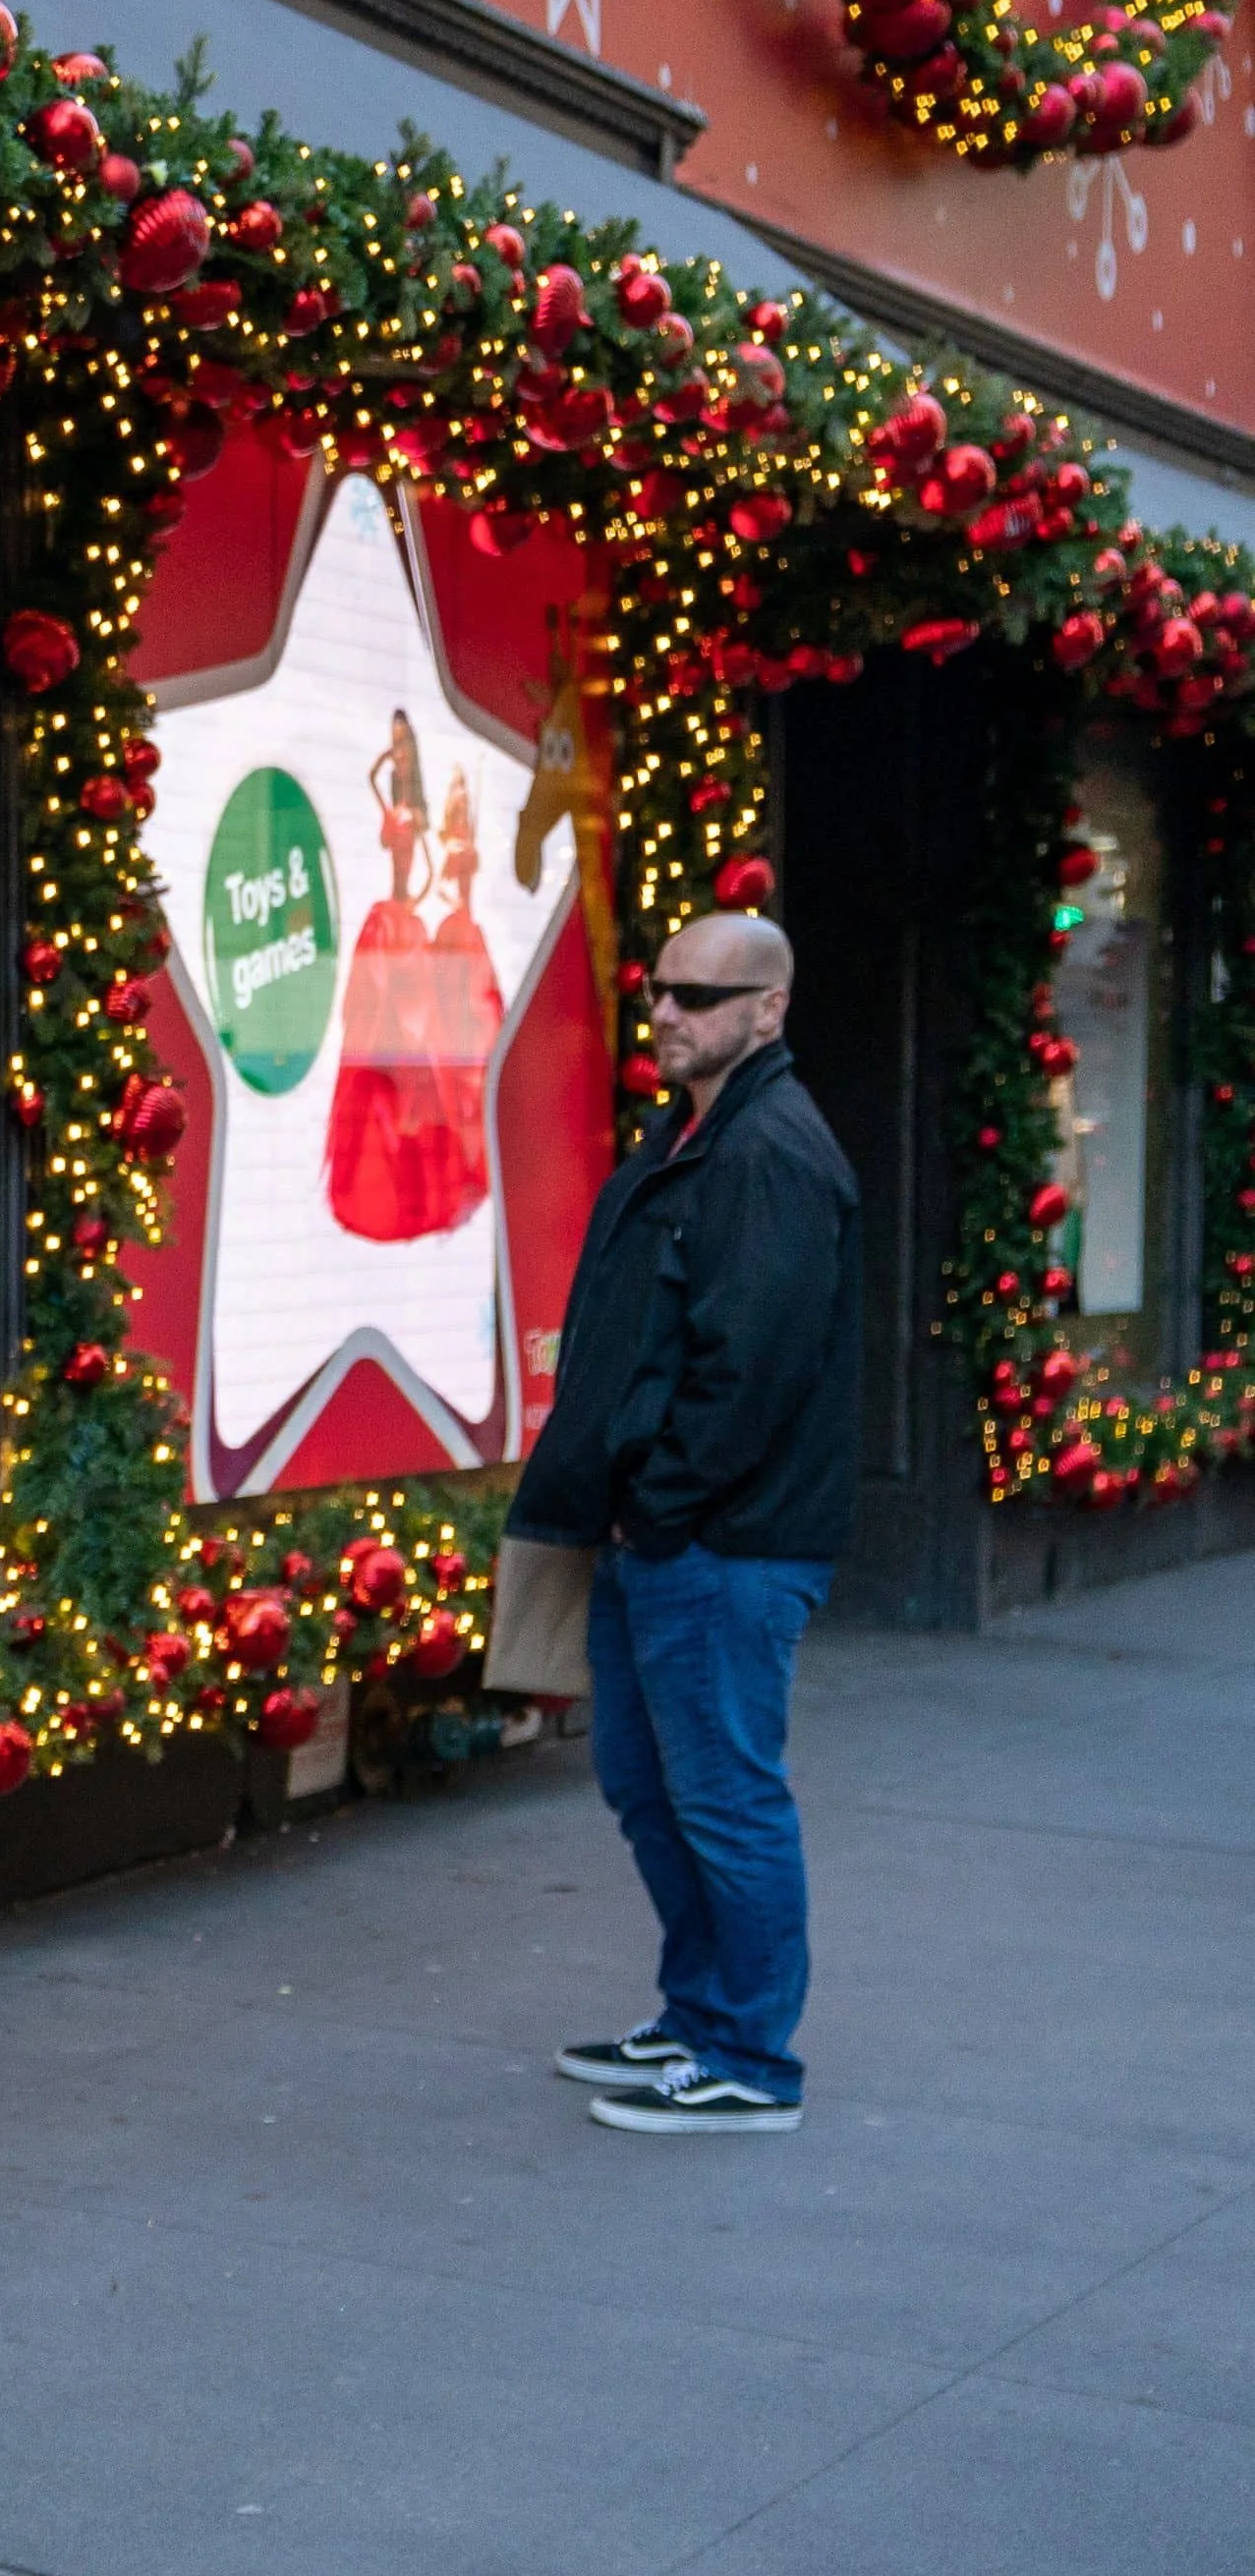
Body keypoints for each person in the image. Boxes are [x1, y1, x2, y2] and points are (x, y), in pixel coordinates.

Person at [511, 908, 858, 2137]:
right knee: (648, 1786)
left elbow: (747, 1370)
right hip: (672, 1534)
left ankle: (751, 2056)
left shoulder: (768, 1150)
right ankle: (701, 2015)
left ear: (768, 1009)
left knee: (721, 1794)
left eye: (702, 995)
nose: (668, 1011)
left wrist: (656, 1511)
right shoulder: (697, 1134)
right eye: (660, 988)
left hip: (722, 1543)